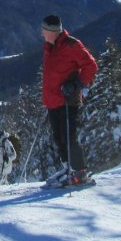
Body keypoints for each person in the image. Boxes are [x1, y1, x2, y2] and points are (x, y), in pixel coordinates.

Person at [40, 14, 98, 186]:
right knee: (58, 137)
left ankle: (80, 172)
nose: (41, 33)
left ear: (52, 31)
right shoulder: (49, 47)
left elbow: (91, 66)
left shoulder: (72, 45)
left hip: (67, 100)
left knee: (69, 137)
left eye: (43, 30)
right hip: (53, 100)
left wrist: (77, 84)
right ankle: (68, 168)